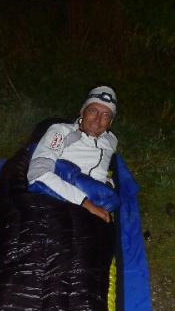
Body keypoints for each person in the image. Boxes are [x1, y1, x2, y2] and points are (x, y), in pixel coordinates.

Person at [27, 86, 118, 223]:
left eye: (106, 115)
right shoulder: (61, 131)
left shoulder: (111, 141)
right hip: (62, 198)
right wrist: (85, 204)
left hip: (100, 203)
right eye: (93, 111)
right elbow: (38, 173)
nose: (98, 120)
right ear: (82, 112)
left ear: (110, 122)